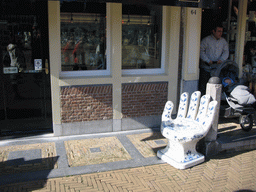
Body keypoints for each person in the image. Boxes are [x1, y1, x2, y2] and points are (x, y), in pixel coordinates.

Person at [199, 24, 229, 94]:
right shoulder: (206, 40)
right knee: (204, 86)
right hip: (206, 67)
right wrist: (207, 60)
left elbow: (226, 52)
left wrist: (221, 59)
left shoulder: (223, 41)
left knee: (216, 86)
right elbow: (200, 51)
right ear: (213, 31)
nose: (220, 33)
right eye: (218, 31)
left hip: (217, 68)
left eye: (221, 31)